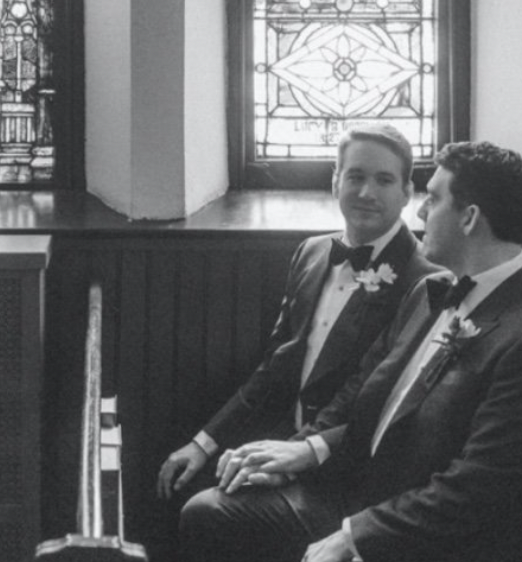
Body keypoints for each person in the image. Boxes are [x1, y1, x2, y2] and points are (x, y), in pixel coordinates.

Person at [179, 141, 522, 562]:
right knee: (209, 514)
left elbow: (476, 492)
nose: (419, 212)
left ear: (468, 218)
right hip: (366, 501)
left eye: (432, 199)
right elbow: (362, 397)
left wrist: (355, 536)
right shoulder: (431, 291)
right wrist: (305, 452)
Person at [157, 122, 437, 501]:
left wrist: (293, 458)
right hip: (286, 435)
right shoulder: (312, 252)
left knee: (209, 509)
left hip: (350, 466)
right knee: (183, 479)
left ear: (407, 192)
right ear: (335, 182)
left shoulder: (426, 280)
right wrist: (205, 442)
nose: (366, 192)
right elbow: (275, 366)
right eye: (355, 176)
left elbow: (376, 399)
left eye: (384, 180)